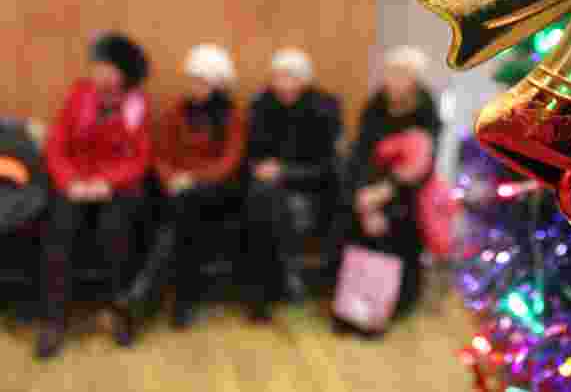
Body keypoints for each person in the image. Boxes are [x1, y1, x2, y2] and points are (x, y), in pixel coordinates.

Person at [36, 33, 151, 359]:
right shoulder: (79, 95)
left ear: (124, 74)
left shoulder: (137, 104)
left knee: (115, 233)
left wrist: (107, 183)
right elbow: (56, 144)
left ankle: (117, 312)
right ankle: (53, 321)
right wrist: (70, 181)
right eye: (97, 66)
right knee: (59, 232)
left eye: (107, 67)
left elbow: (140, 157)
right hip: (74, 182)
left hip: (114, 186)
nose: (99, 73)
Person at [122, 45, 245, 329]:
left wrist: (192, 179)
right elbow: (160, 155)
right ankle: (178, 303)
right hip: (178, 190)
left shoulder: (231, 116)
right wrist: (171, 179)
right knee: (181, 218)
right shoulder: (177, 111)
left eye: (201, 81)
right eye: (192, 80)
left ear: (218, 84)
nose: (194, 86)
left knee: (185, 209)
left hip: (216, 190)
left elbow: (229, 162)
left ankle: (143, 295)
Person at [334, 46, 442, 331]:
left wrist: (385, 193)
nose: (393, 80)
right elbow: (360, 155)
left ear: (415, 80)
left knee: (400, 221)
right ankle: (352, 304)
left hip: (407, 190)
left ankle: (389, 303)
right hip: (369, 184)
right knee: (349, 215)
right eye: (391, 72)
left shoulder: (427, 112)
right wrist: (364, 198)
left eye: (402, 74)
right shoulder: (375, 106)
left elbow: (422, 167)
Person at [243, 48, 342, 322]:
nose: (283, 84)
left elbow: (329, 167)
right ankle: (280, 280)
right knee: (263, 199)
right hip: (266, 188)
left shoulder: (324, 108)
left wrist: (285, 172)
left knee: (268, 204)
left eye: (290, 77)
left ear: (304, 80)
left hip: (311, 188)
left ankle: (265, 290)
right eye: (277, 77)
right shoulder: (261, 105)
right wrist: (261, 168)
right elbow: (250, 154)